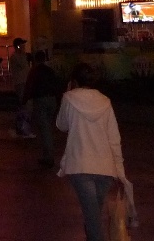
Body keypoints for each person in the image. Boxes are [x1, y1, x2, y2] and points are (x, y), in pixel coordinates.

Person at [57, 63, 128, 241]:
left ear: (74, 80)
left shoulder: (69, 98)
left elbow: (61, 125)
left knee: (92, 217)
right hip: (105, 168)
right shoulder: (105, 101)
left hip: (80, 165)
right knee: (93, 214)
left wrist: (67, 92)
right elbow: (114, 138)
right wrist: (119, 170)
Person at [23, 50, 62, 166]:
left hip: (41, 99)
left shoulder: (35, 71)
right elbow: (56, 84)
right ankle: (47, 153)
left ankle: (48, 156)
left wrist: (24, 100)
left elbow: (29, 86)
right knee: (47, 126)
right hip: (51, 99)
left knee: (44, 128)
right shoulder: (50, 71)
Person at [9, 37, 33, 137]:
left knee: (25, 106)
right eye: (22, 45)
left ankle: (22, 128)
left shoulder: (22, 56)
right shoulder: (16, 57)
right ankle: (24, 129)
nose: (24, 46)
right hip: (20, 83)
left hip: (25, 82)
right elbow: (22, 65)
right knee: (26, 106)